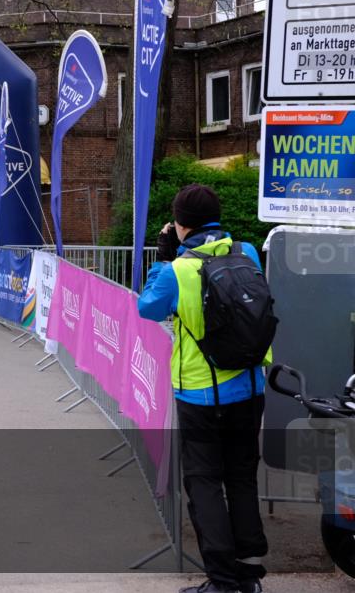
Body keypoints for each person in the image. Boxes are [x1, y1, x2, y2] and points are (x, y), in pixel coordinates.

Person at [137, 184, 270, 593]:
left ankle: (222, 580)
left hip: (200, 394)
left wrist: (163, 257)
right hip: (250, 387)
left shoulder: (178, 268)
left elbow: (147, 308)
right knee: (242, 477)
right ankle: (248, 571)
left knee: (205, 482)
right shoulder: (245, 252)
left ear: (179, 224)